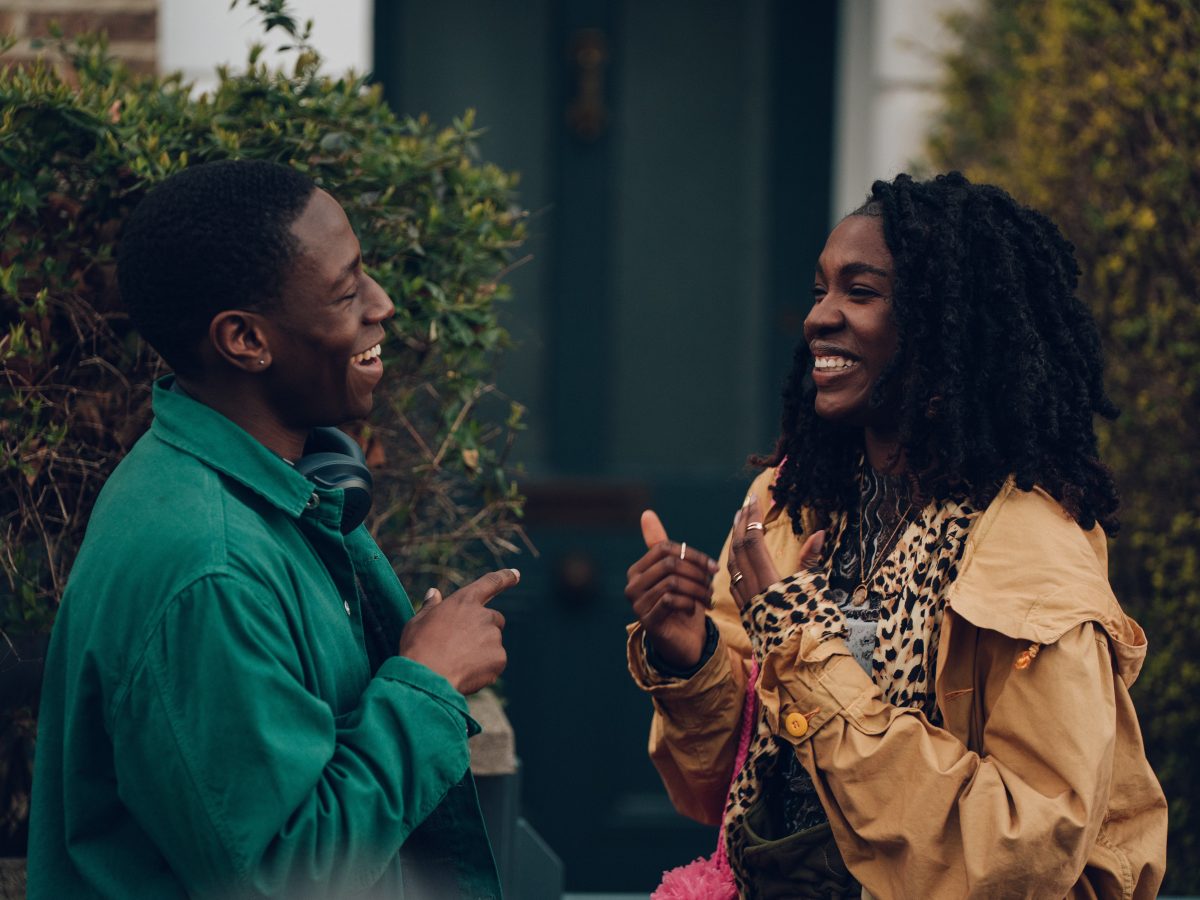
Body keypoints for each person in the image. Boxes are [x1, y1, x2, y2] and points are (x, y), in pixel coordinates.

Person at [624, 172, 1167, 898]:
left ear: (946, 325)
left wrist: (802, 644)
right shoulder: (789, 506)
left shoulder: (1029, 550)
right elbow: (723, 790)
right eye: (820, 290)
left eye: (861, 291)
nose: (821, 316)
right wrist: (691, 659)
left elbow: (1025, 848)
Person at [28, 159, 516, 899]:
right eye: (347, 291)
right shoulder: (209, 574)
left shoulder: (258, 491)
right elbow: (284, 879)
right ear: (245, 340)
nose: (382, 305)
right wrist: (429, 682)